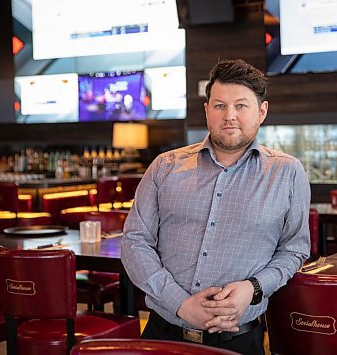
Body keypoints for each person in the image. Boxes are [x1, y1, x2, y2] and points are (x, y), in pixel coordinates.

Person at [121, 59, 310, 354]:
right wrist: (180, 303)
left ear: (262, 111)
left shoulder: (287, 172)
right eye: (220, 105)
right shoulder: (164, 167)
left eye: (241, 105)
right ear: (207, 110)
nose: (229, 116)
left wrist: (254, 288)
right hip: (163, 335)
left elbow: (294, 250)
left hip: (240, 341)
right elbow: (134, 241)